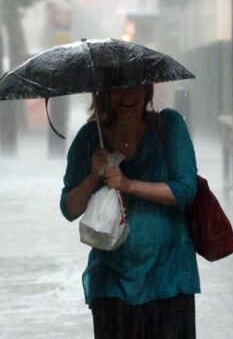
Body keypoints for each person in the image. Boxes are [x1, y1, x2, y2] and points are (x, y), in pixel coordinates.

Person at [60, 84, 200, 339]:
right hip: (110, 283)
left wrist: (129, 185)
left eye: (135, 87)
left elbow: (185, 190)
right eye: (117, 88)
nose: (127, 96)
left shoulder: (168, 126)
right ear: (104, 93)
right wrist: (93, 176)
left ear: (146, 90)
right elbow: (69, 209)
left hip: (168, 278)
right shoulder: (91, 138)